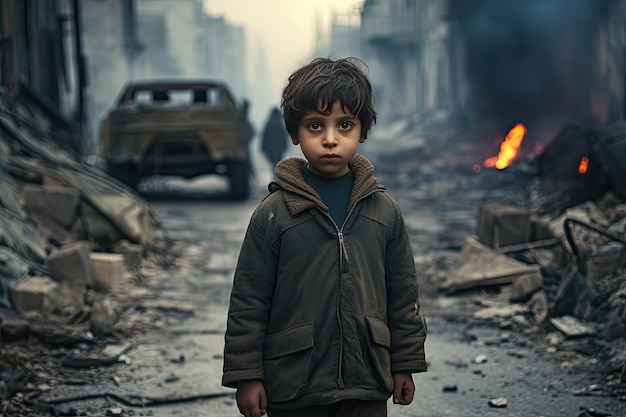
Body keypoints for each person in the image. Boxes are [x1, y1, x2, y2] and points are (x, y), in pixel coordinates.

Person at [222, 57, 427, 417]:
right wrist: (246, 375)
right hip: (294, 384)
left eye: (344, 125)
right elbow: (249, 300)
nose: (330, 139)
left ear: (362, 131)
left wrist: (404, 362)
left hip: (366, 382)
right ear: (294, 134)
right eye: (315, 126)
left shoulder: (384, 212)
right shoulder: (273, 214)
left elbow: (403, 294)